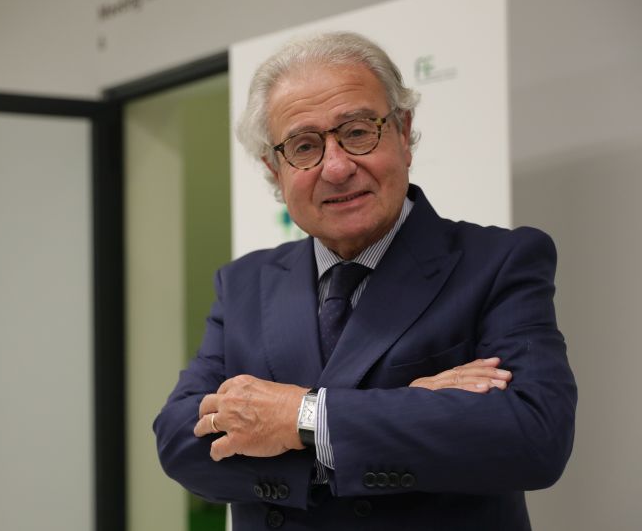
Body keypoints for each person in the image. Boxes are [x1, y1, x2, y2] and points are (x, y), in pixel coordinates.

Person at [154, 31, 576, 530]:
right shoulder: (243, 283)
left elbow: (533, 436)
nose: (336, 167)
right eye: (304, 146)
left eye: (357, 132)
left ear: (403, 132)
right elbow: (180, 441)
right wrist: (408, 408)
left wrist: (300, 417)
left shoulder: (499, 262)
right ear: (274, 168)